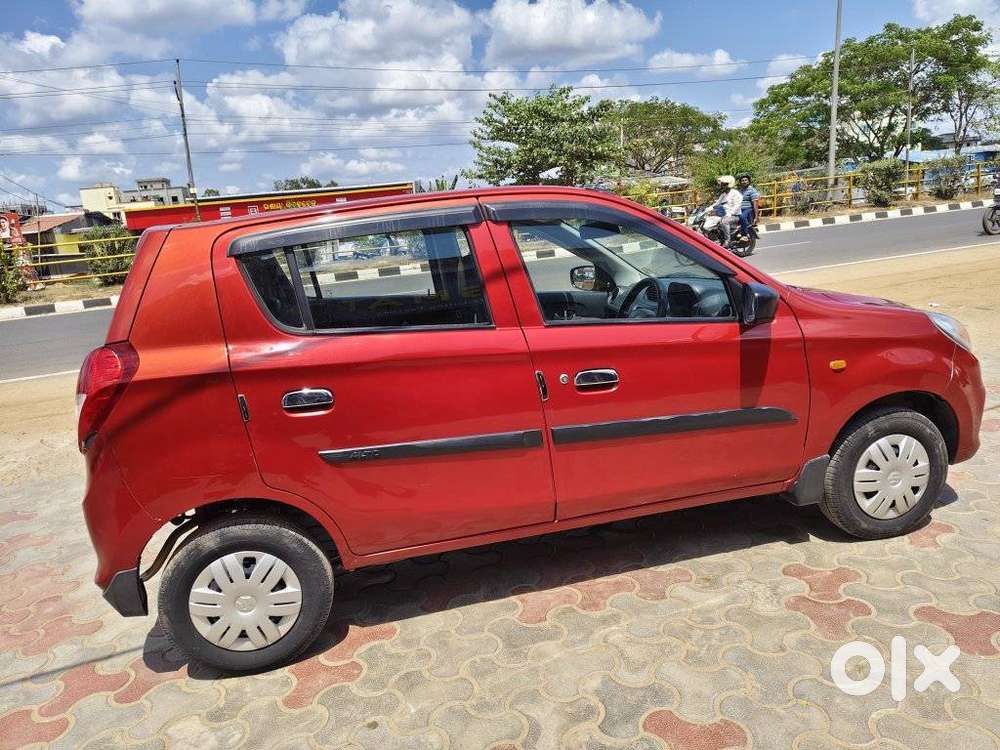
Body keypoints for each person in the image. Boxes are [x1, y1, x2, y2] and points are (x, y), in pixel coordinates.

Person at [709, 175, 743, 247]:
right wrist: (708, 209)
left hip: (734, 216)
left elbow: (737, 206)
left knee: (724, 221)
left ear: (728, 185)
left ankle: (728, 240)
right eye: (721, 184)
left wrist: (730, 214)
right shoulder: (723, 195)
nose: (721, 186)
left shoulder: (735, 193)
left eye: (723, 185)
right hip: (725, 215)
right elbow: (716, 203)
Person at [737, 172, 761, 237]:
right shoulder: (740, 191)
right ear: (740, 182)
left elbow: (755, 204)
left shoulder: (752, 191)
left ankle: (745, 233)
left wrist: (756, 217)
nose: (744, 182)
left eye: (745, 180)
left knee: (742, 216)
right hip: (739, 209)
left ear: (749, 181)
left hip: (748, 209)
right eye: (742, 181)